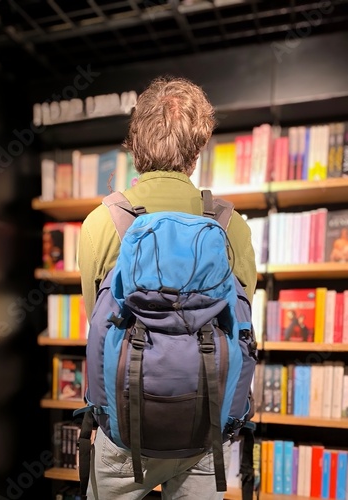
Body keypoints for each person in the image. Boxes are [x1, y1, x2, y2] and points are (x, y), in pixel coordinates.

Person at [78, 76, 257, 500]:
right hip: (205, 426)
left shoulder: (102, 223)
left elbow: (97, 322)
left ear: (135, 144)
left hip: (125, 426)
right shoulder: (233, 227)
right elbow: (241, 323)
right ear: (197, 151)